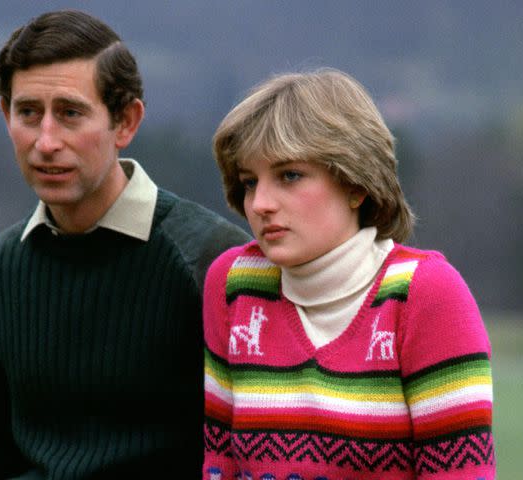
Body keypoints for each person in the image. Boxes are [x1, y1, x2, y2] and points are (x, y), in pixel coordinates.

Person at [0, 9, 251, 479]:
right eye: (28, 112)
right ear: (6, 115)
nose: (46, 141)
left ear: (125, 122)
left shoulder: (214, 262)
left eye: (70, 113)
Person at [203, 68, 495, 479]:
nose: (261, 203)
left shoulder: (425, 294)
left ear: (355, 184)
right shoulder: (233, 282)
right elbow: (219, 463)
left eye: (290, 175)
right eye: (250, 182)